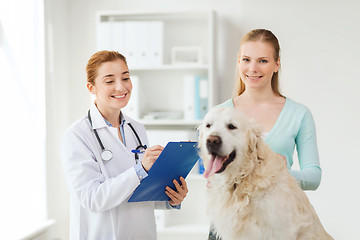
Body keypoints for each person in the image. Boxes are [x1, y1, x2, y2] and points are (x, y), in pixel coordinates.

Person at [61, 50, 188, 240]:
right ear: (91, 87)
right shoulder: (77, 135)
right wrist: (140, 169)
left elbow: (139, 193)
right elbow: (92, 199)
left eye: (125, 77)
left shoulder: (136, 129)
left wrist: (171, 199)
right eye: (109, 81)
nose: (121, 87)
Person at [208, 29, 322, 240]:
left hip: (276, 222)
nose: (252, 68)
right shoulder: (218, 115)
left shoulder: (298, 114)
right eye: (246, 59)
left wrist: (275, 171)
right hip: (229, 223)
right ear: (238, 62)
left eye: (262, 61)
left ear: (277, 64)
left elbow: (314, 177)